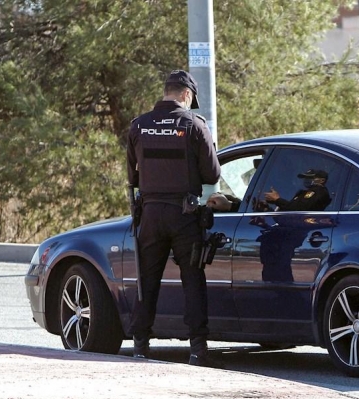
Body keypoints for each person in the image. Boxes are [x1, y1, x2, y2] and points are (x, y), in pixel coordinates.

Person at [126, 70, 223, 369]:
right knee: (192, 280)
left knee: (148, 280)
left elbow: (132, 176)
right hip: (184, 214)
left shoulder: (139, 125)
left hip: (151, 213)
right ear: (186, 94)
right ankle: (197, 349)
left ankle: (140, 346)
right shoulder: (193, 125)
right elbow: (213, 174)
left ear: (167, 91)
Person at [206, 168, 331, 212]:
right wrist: (267, 209)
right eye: (305, 178)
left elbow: (297, 210)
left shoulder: (319, 193)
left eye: (310, 178)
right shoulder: (302, 193)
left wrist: (277, 200)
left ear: (321, 180)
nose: (306, 181)